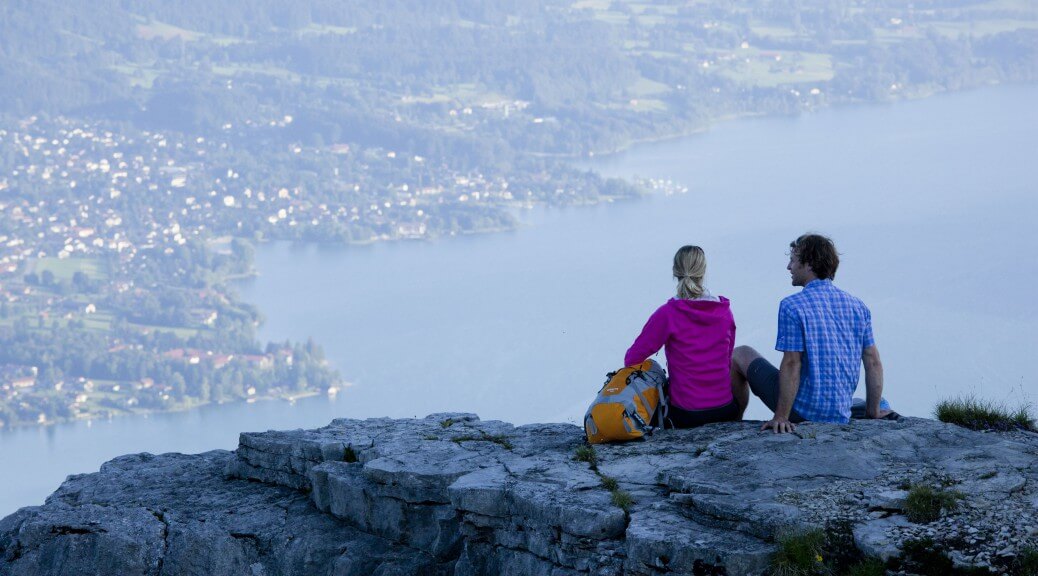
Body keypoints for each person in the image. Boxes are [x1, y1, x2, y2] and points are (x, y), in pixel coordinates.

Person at [730, 233, 893, 434]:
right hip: (839, 412)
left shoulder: (792, 306)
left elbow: (792, 362)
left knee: (740, 354)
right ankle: (873, 408)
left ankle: (733, 423)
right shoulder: (858, 306)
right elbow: (873, 361)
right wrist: (873, 411)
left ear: (809, 264)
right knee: (859, 402)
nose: (788, 267)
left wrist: (781, 416)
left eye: (793, 260)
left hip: (802, 412)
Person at [625, 245, 742, 428]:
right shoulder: (724, 312)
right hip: (724, 409)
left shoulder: (668, 314)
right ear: (703, 271)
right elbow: (727, 360)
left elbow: (632, 359)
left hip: (686, 414)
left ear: (675, 271)